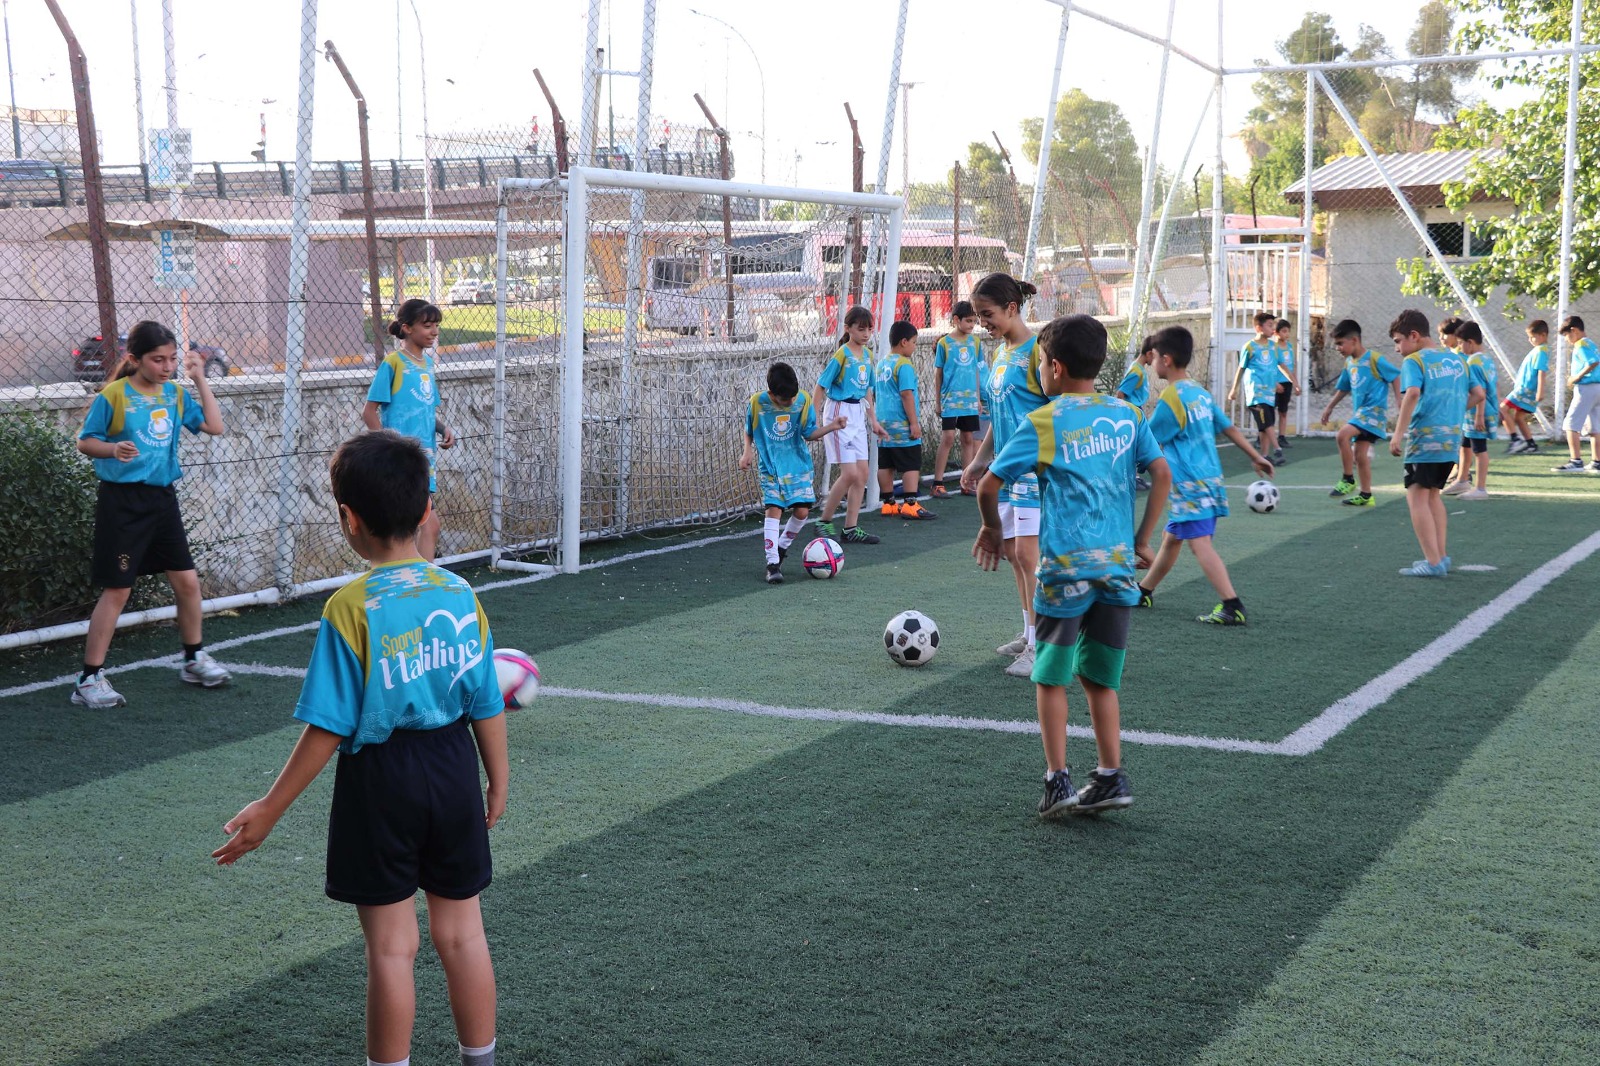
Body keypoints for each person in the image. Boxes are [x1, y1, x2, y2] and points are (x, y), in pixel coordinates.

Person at [213, 430, 508, 1066]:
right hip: (454, 768)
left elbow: (326, 727)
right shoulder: (460, 594)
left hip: (381, 779)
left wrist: (270, 806)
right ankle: (480, 1059)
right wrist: (498, 778)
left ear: (347, 519)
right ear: (427, 509)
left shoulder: (350, 607)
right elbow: (486, 699)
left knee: (391, 949)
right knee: (462, 934)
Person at [972, 314, 1170, 817]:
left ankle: (1057, 781)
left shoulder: (1044, 421)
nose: (1038, 368)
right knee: (1101, 680)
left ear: (1055, 368)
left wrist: (993, 529)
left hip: (1064, 571)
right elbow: (1162, 474)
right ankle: (1109, 776)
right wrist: (1142, 538)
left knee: (1050, 675)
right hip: (1119, 570)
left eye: (1040, 360)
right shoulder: (1126, 414)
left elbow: (988, 485)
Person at [71, 320, 230, 709]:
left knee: (188, 582)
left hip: (162, 500)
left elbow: (214, 426)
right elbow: (85, 441)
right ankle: (88, 680)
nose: (167, 366)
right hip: (122, 504)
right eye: (158, 359)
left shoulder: (175, 394)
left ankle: (193, 660)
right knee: (118, 590)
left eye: (173, 359)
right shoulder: (115, 395)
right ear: (134, 359)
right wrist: (112, 450)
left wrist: (199, 379)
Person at [1135, 326, 1275, 625]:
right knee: (1172, 538)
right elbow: (1230, 427)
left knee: (1200, 544)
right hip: (1210, 480)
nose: (1154, 362)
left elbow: (1146, 440)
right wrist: (1256, 456)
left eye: (1156, 356)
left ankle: (1231, 604)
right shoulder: (1199, 392)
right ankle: (1144, 590)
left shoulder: (1172, 398)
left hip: (1189, 484)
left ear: (1167, 360)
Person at [960, 273, 1050, 678]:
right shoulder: (1002, 353)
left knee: (1029, 556)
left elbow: (1055, 408)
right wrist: (981, 460)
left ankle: (1041, 645)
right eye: (979, 316)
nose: (983, 323)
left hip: (1032, 471)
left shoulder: (1039, 352)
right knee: (1014, 554)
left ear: (1012, 308)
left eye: (988, 314)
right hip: (1006, 471)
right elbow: (1000, 417)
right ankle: (1029, 630)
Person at [363, 298, 456, 562]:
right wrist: (387, 450)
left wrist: (443, 428)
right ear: (407, 328)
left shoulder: (427, 364)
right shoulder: (393, 363)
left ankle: (413, 581)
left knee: (419, 526)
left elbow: (425, 409)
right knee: (426, 525)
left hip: (424, 460)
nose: (434, 331)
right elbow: (369, 413)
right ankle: (422, 585)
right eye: (427, 325)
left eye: (436, 325)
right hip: (400, 461)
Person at [1389, 309, 1481, 577]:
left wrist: (1397, 434)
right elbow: (1479, 393)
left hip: (1425, 439)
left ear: (1414, 336)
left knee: (1416, 496)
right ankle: (1440, 557)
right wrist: (1452, 412)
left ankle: (1433, 563)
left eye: (1398, 341)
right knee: (1432, 495)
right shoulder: (1459, 361)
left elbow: (1413, 393)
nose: (1397, 349)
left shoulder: (1414, 361)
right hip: (1451, 439)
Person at [740, 361, 849, 584]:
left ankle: (780, 550)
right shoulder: (757, 402)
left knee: (801, 513)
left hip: (797, 466)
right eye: (784, 400)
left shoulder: (803, 400)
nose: (790, 402)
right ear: (771, 393)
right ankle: (772, 564)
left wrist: (832, 426)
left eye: (792, 397)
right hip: (771, 467)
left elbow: (809, 433)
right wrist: (747, 452)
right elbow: (749, 430)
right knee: (774, 510)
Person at [813, 305, 885, 545]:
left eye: (869, 329)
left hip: (857, 414)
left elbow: (867, 391)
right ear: (848, 328)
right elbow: (821, 386)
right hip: (839, 414)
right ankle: (824, 520)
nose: (866, 334)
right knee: (850, 473)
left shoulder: (867, 355)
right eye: (861, 329)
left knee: (862, 474)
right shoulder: (842, 355)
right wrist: (814, 415)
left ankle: (850, 528)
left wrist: (873, 420)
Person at [1320, 318, 1399, 507]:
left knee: (1342, 436)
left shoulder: (1374, 358)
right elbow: (1344, 388)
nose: (1338, 348)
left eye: (1340, 343)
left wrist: (1399, 398)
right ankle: (1366, 495)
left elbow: (1395, 375)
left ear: (1354, 340)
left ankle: (1348, 479)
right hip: (1361, 413)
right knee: (1360, 456)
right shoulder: (1349, 363)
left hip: (1373, 412)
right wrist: (1330, 406)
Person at [874, 320, 937, 519]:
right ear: (903, 342)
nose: (915, 346)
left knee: (886, 463)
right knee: (911, 461)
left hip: (883, 422)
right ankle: (910, 503)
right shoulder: (904, 365)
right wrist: (914, 422)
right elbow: (906, 394)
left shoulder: (882, 363)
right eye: (914, 342)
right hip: (902, 422)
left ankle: (888, 503)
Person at [930, 301, 986, 498]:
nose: (972, 325)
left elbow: (977, 372)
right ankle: (937, 483)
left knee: (968, 438)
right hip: (950, 401)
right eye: (968, 321)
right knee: (947, 438)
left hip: (970, 401)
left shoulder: (976, 342)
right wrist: (937, 401)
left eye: (974, 321)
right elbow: (938, 374)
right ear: (956, 320)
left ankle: (967, 482)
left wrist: (978, 398)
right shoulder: (944, 344)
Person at [1445, 322, 1498, 498]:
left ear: (1470, 342)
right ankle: (1462, 480)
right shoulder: (1486, 359)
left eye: (1461, 343)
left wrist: (1479, 416)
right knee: (1465, 445)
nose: (1460, 347)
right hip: (1476, 412)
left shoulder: (1473, 362)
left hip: (1478, 413)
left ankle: (1481, 488)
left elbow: (1480, 393)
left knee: (1479, 449)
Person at [1228, 311, 1285, 465]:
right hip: (1255, 393)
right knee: (1267, 423)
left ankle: (1265, 456)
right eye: (1269, 325)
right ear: (1259, 328)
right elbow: (1241, 368)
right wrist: (1234, 389)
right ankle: (1278, 449)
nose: (1272, 329)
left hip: (1269, 392)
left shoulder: (1273, 346)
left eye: (1273, 325)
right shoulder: (1250, 347)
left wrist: (1278, 382)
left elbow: (1275, 367)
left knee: (1264, 426)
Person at [1552, 315, 1600, 473]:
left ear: (1574, 330)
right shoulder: (1591, 343)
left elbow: (1593, 362)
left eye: (1567, 335)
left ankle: (1576, 461)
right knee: (1595, 427)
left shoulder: (1580, 344)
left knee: (1570, 424)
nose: (1567, 339)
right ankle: (1596, 462)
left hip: (1586, 388)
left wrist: (1576, 377)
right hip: (1597, 388)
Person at [1117, 336, 1159, 491]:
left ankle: (1134, 475)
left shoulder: (1139, 370)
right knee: (1136, 444)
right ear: (1148, 354)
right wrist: (1124, 414)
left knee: (1137, 444)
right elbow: (1120, 393)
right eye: (1154, 356)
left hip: (1137, 412)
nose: (1155, 360)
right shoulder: (1136, 371)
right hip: (1132, 413)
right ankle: (1131, 476)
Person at [1501, 320, 1548, 454]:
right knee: (1518, 417)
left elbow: (1541, 371)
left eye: (1533, 336)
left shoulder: (1541, 351)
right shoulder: (1538, 350)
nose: (1530, 340)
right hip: (1524, 389)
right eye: (1529, 337)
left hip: (1525, 390)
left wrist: (1540, 390)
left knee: (1503, 409)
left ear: (1543, 335)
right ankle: (1531, 444)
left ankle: (1515, 440)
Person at [1272, 318, 1302, 448]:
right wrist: (1274, 383)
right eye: (1284, 331)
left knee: (1283, 411)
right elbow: (1275, 367)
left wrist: (1295, 382)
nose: (1287, 334)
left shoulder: (1289, 346)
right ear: (1276, 333)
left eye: (1288, 331)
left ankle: (1282, 437)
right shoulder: (1273, 347)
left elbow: (1292, 365)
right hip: (1276, 383)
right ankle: (1263, 435)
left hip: (1287, 383)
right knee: (1270, 410)